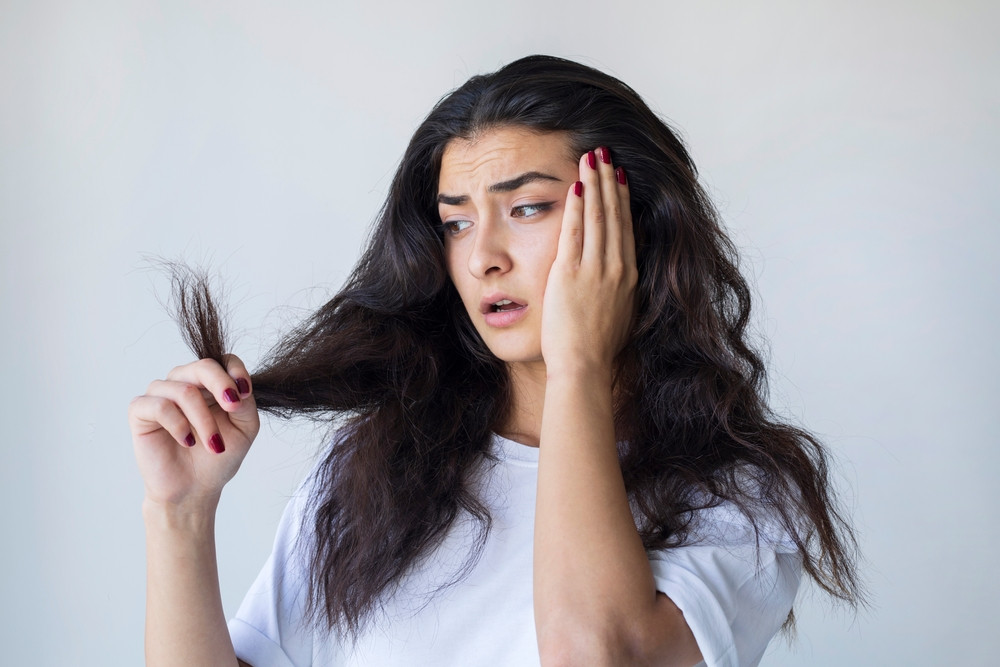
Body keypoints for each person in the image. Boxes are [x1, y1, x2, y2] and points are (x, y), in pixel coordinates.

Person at [129, 55, 862, 666]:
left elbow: (593, 653)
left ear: (636, 224)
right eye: (455, 221)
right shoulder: (379, 466)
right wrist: (180, 516)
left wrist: (577, 365)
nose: (482, 258)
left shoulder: (738, 494)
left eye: (529, 208)